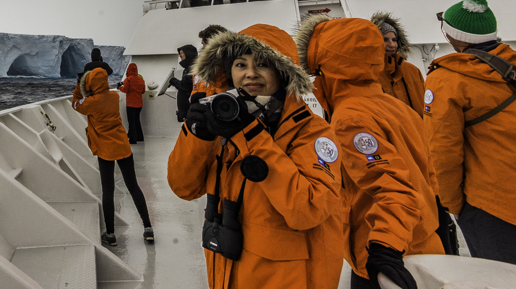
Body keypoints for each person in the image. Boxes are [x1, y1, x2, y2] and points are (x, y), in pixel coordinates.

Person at [168, 25, 345, 289]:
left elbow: (309, 209)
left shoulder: (312, 132)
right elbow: (183, 187)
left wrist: (249, 134)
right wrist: (197, 137)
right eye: (240, 64)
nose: (250, 73)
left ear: (283, 72)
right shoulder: (222, 125)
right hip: (227, 273)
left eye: (262, 64)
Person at [295, 16, 443, 289]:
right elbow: (429, 174)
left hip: (387, 254)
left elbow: (393, 187)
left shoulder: (350, 119)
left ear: (325, 69)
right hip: (422, 240)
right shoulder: (395, 106)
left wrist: (384, 249)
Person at [424, 0, 516, 270]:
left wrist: (454, 205)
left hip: (496, 208)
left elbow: (443, 149)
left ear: (453, 36)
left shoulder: (447, 79)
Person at [72, 68, 154, 246]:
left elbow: (76, 104)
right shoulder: (114, 96)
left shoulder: (91, 103)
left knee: (108, 191)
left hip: (105, 150)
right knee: (134, 187)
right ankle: (148, 228)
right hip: (122, 146)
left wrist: (79, 86)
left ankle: (110, 234)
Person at [370, 12, 425, 118]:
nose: (392, 44)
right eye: (385, 40)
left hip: (420, 127)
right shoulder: (369, 74)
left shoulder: (412, 70)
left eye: (394, 40)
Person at [169, 44, 199, 122]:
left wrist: (174, 81)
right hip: (187, 108)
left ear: (188, 53)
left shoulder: (192, 68)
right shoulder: (188, 68)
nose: (180, 55)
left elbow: (186, 86)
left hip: (189, 108)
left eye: (182, 53)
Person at [119, 62, 146, 143]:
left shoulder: (128, 79)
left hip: (131, 104)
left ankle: (133, 139)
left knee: (131, 121)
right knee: (137, 120)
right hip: (139, 104)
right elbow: (143, 91)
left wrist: (119, 87)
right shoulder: (141, 80)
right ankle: (140, 137)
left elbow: (125, 90)